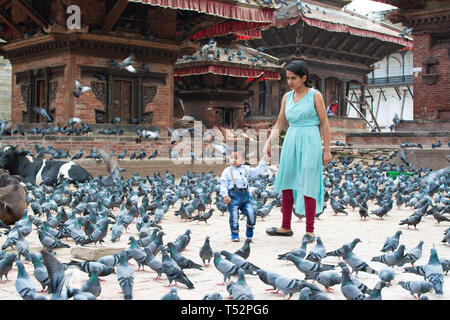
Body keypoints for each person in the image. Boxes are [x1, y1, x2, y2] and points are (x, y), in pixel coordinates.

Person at [263, 60, 332, 244]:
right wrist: (269, 142)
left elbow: (324, 123)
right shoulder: (287, 97)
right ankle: (285, 226)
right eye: (288, 78)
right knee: (287, 181)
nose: (290, 82)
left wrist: (326, 149)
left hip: (310, 139)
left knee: (309, 182)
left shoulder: (315, 95)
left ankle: (309, 230)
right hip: (292, 139)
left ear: (304, 78)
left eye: (294, 78)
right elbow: (279, 123)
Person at [219, 148, 269, 242]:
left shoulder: (246, 168)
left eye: (236, 158)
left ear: (243, 160)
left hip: (245, 197)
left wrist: (263, 161)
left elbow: (256, 172)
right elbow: (223, 183)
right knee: (234, 216)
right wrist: (225, 195)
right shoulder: (227, 171)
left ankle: (250, 227)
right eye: (231, 157)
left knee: (251, 213)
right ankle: (234, 233)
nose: (233, 160)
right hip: (233, 197)